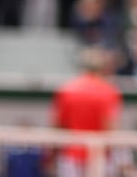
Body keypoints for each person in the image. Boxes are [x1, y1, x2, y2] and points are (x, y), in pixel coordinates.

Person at [51, 46, 124, 177]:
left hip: (71, 158)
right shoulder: (109, 91)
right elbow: (110, 129)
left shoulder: (67, 89)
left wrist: (51, 156)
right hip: (99, 159)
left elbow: (58, 126)